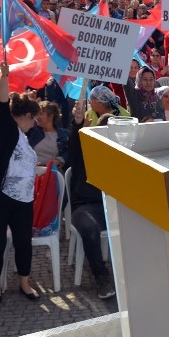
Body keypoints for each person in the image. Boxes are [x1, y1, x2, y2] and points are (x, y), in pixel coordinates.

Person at [0, 62, 42, 305]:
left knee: (23, 241)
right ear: (26, 116)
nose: (35, 124)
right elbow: (1, 102)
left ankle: (24, 282)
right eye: (34, 119)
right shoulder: (5, 127)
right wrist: (4, 75)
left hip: (22, 199)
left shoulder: (23, 135)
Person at [66, 100, 116, 300]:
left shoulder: (120, 156)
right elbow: (74, 143)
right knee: (90, 228)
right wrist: (78, 122)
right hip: (86, 207)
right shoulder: (84, 151)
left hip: (112, 205)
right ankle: (101, 277)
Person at [26, 101, 68, 171]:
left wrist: (59, 160)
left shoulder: (64, 134)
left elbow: (70, 152)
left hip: (52, 172)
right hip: (32, 170)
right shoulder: (31, 131)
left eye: (41, 114)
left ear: (50, 116)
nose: (37, 117)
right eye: (37, 114)